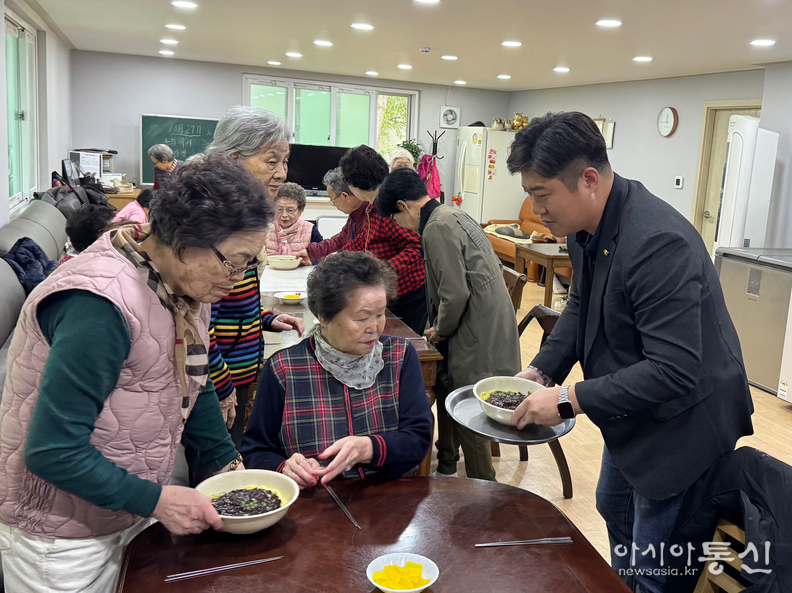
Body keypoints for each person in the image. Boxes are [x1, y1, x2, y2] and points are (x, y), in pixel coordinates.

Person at [505, 112, 754, 593]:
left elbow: (674, 370)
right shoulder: (584, 227)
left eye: (541, 195)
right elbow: (580, 304)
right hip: (632, 407)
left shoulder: (658, 243)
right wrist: (541, 370)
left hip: (685, 422)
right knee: (614, 508)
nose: (537, 210)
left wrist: (566, 398)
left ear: (589, 179)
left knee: (657, 552)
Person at [0, 156, 273, 591]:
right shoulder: (98, 304)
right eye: (235, 262)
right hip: (61, 537)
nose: (237, 279)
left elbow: (191, 382)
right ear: (187, 241)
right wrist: (159, 500)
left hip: (125, 509)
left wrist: (227, 463)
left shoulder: (181, 287)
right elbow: (52, 450)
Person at [241, 251, 432, 487]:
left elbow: (419, 438)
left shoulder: (399, 356)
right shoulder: (285, 368)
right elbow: (255, 451)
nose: (375, 327)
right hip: (317, 501)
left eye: (381, 314)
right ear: (323, 316)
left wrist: (369, 447)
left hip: (387, 498)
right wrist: (286, 468)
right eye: (362, 318)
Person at [376, 168, 520, 480]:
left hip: (478, 331)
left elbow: (454, 294)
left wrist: (438, 329)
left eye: (395, 218)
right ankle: (446, 462)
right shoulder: (451, 213)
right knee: (443, 383)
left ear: (403, 205)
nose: (400, 227)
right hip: (489, 324)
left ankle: (485, 489)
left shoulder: (435, 228)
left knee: (469, 409)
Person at [201, 106, 304, 453]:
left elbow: (231, 305)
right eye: (270, 161)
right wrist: (222, 383)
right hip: (218, 377)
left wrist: (267, 319)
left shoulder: (243, 216)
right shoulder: (215, 224)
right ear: (233, 159)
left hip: (238, 371)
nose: (281, 173)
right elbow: (200, 322)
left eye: (285, 161)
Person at [339, 145, 427, 335]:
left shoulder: (387, 206)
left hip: (409, 295)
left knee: (402, 348)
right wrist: (340, 256)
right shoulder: (373, 205)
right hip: (392, 290)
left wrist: (382, 269)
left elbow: (416, 248)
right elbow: (367, 238)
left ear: (354, 184)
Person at [294, 167, 368, 266]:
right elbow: (341, 239)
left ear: (344, 196)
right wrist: (312, 252)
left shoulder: (370, 214)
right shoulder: (355, 213)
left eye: (332, 199)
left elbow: (364, 249)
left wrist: (339, 255)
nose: (332, 203)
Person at [265, 182, 322, 256]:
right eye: (279, 209)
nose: (284, 215)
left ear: (300, 211)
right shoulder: (265, 228)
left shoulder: (310, 230)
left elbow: (321, 255)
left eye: (290, 210)